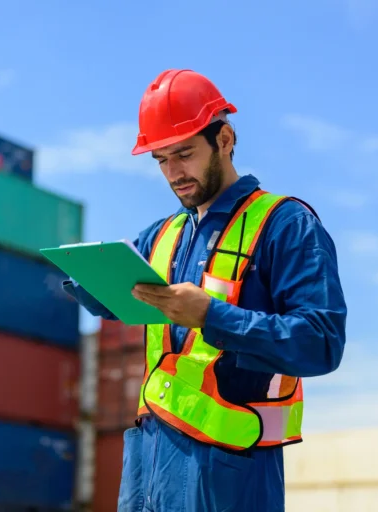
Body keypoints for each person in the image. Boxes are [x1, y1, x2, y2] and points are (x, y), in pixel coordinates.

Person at [63, 69, 347, 511]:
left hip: (233, 475)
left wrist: (211, 316)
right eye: (161, 159)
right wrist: (87, 280)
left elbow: (322, 342)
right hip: (148, 468)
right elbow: (113, 298)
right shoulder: (159, 237)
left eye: (184, 153)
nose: (173, 172)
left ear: (225, 139)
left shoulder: (286, 225)